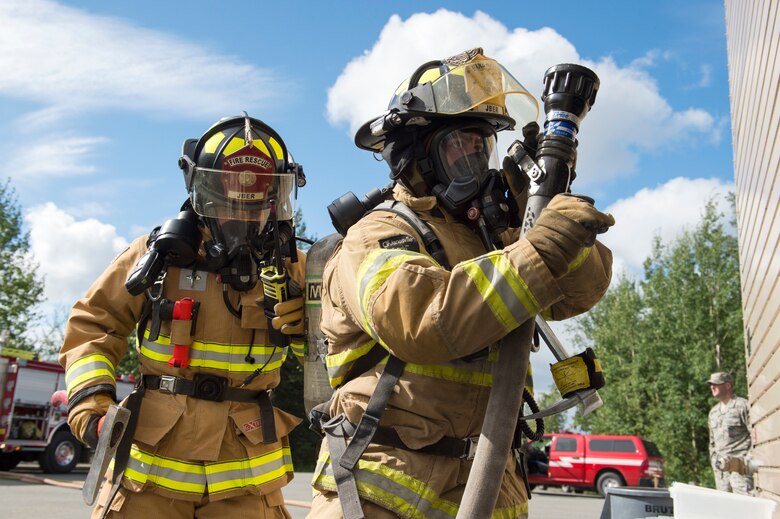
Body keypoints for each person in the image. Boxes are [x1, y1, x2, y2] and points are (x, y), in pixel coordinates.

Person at [308, 48, 614, 518]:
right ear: (419, 156)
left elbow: (581, 293)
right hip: (383, 486)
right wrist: (539, 248)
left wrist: (547, 212)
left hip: (490, 484)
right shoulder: (379, 233)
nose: (477, 159)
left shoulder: (498, 239)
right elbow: (422, 321)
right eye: (460, 147)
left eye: (482, 146)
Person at [59, 114, 307, 518]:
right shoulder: (155, 256)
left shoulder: (297, 269)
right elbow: (93, 324)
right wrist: (93, 402)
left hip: (248, 489)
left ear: (274, 200)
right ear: (205, 195)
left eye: (256, 205)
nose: (243, 218)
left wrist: (308, 338)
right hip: (146, 483)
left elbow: (340, 357)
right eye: (229, 205)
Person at [707, 371, 753, 495]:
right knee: (726, 510)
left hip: (740, 472)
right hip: (722, 474)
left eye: (716, 384)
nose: (712, 387)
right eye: (711, 385)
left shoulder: (742, 406)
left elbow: (755, 437)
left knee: (745, 508)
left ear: (728, 386)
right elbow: (712, 443)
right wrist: (715, 462)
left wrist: (746, 463)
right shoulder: (713, 413)